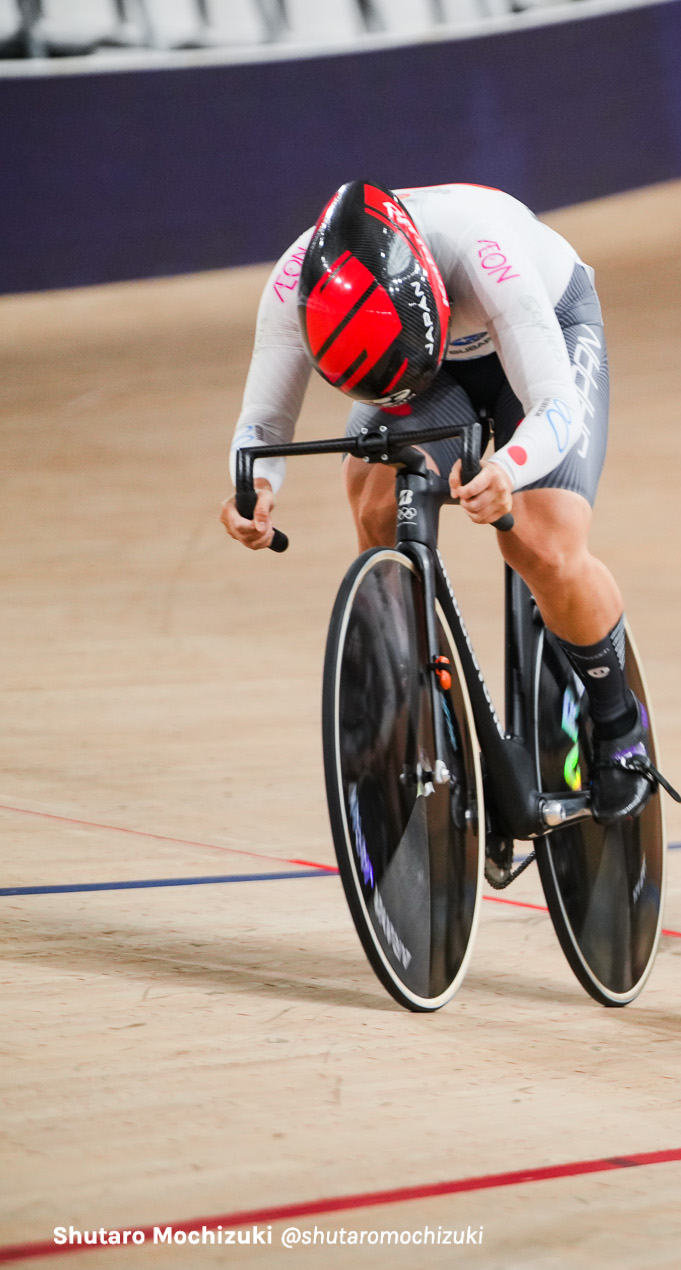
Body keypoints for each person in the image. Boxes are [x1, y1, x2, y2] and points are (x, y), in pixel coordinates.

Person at [217, 180, 656, 822]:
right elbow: (263, 422)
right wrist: (255, 489)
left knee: (543, 538)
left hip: (544, 331)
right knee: (376, 497)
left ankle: (619, 719)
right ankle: (413, 686)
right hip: (419, 369)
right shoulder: (297, 282)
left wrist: (507, 466)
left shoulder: (486, 255)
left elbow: (556, 408)